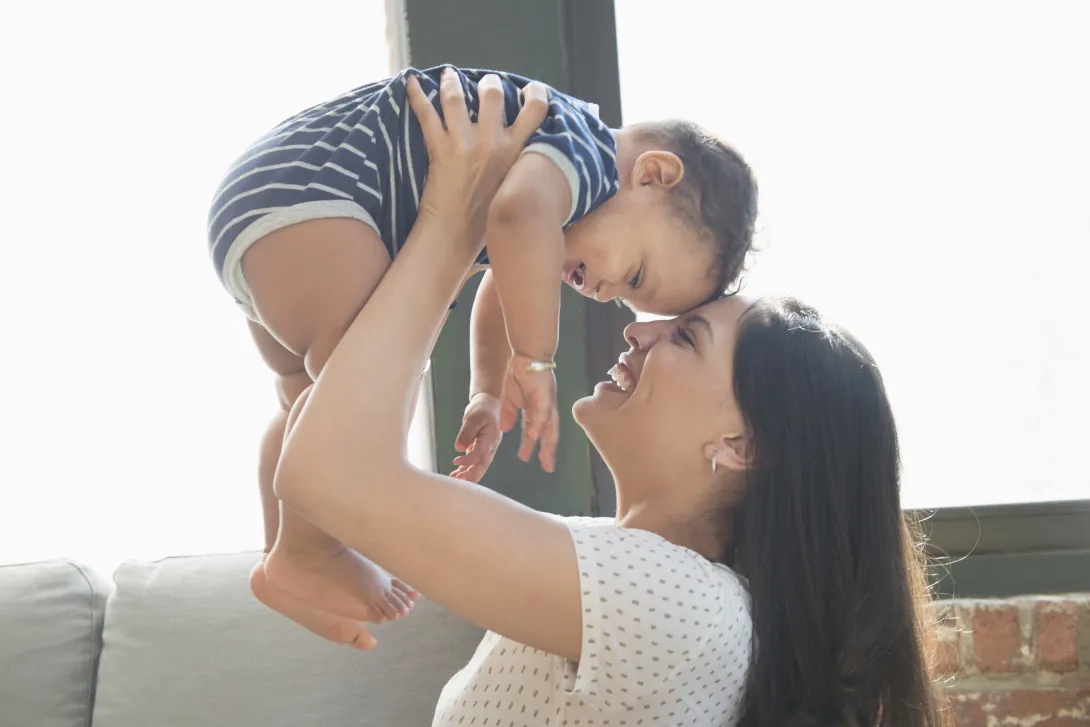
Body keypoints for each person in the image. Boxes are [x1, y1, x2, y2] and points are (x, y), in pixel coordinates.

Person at [271, 71, 944, 727]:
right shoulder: (620, 565)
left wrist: (454, 215)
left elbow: (329, 473)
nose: (635, 326)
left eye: (686, 337)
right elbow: (328, 471)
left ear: (744, 445)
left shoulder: (682, 607)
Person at [206, 65, 758, 634]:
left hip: (271, 209)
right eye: (635, 275)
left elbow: (505, 267)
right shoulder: (584, 152)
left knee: (314, 398)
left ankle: (283, 559)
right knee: (371, 383)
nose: (605, 294)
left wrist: (487, 392)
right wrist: (535, 356)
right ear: (654, 174)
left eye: (625, 296)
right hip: (318, 203)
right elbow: (516, 218)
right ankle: (311, 555)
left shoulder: (552, 188)